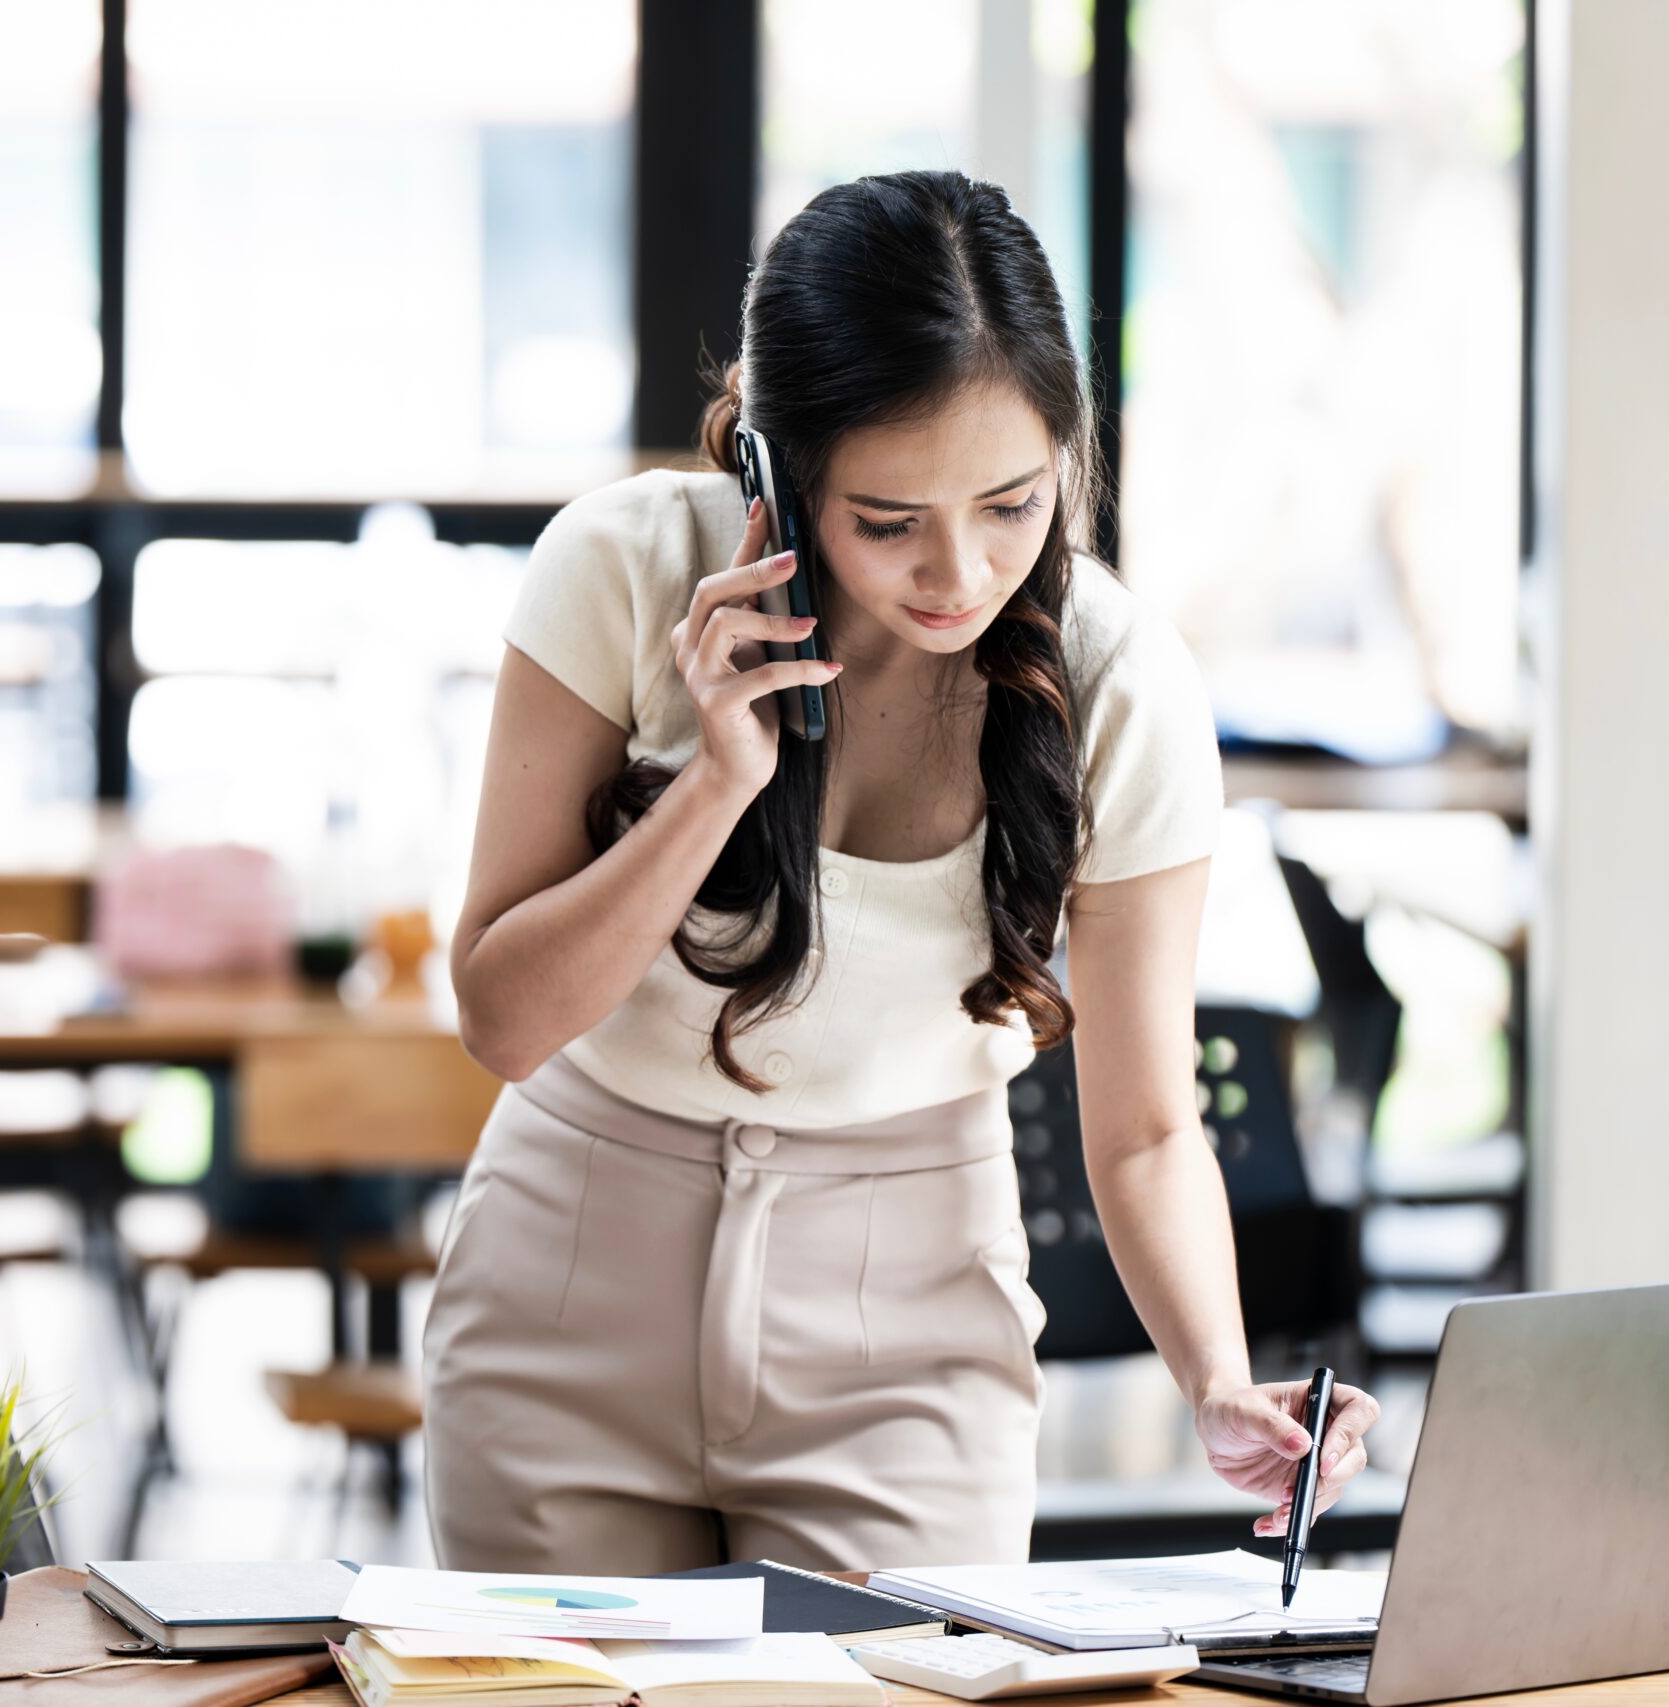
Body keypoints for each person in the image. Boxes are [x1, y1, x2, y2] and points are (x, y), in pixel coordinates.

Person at [421, 169, 1380, 1574]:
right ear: (772, 465)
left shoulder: (1116, 685)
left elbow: (1146, 1128)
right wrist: (715, 782)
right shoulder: (618, 569)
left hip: (907, 1331)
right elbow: (502, 1021)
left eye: (1012, 501)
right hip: (564, 1292)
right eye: (887, 520)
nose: (960, 571)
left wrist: (1219, 1379)